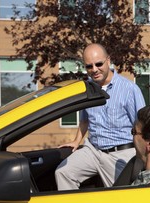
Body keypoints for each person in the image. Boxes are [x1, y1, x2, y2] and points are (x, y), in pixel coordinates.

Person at [55, 43, 145, 190]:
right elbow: (85, 119)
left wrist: (144, 157)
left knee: (119, 200)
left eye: (98, 64)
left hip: (120, 154)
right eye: (89, 66)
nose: (94, 70)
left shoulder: (129, 89)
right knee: (63, 172)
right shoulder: (88, 88)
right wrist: (77, 141)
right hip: (92, 150)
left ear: (108, 61)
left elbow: (142, 125)